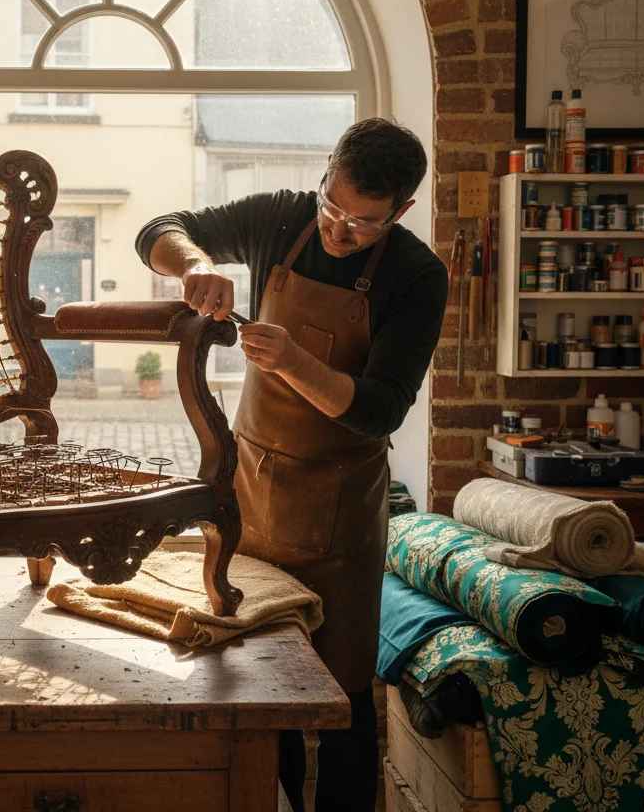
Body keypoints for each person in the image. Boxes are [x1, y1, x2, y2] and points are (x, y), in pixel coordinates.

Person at [135, 118, 448, 811]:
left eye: (363, 224)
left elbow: (381, 410)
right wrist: (193, 265)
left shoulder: (417, 275)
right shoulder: (285, 219)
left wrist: (297, 364)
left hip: (340, 512)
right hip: (251, 490)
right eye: (332, 207)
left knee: (341, 693)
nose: (339, 230)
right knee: (256, 674)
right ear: (325, 175)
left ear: (400, 212)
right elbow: (159, 226)